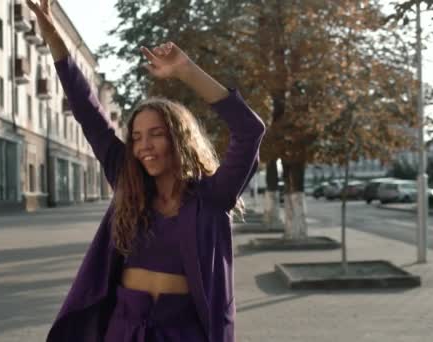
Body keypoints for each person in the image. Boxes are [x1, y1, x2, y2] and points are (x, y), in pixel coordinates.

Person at [26, 1, 265, 341]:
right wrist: (55, 41)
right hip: (123, 329)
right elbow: (89, 113)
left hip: (181, 333)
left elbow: (249, 131)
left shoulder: (212, 197)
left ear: (180, 139)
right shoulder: (129, 184)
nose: (144, 146)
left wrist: (186, 70)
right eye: (136, 137)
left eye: (156, 135)